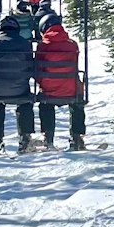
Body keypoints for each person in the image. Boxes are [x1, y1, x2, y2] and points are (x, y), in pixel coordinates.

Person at [0, 14, 35, 152]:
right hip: (20, 89)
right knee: (25, 103)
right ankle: (25, 139)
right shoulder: (25, 44)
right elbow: (31, 67)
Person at [34, 12, 86, 150]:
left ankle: (48, 137)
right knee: (77, 103)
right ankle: (77, 137)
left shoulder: (42, 46)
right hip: (71, 90)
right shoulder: (72, 45)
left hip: (49, 91)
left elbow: (38, 69)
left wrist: (42, 82)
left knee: (45, 103)